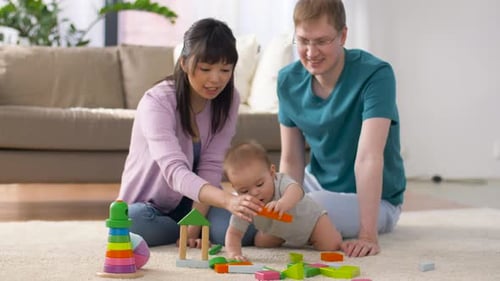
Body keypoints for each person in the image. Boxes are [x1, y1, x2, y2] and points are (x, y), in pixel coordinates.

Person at [277, 0, 406, 257]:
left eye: (322, 41)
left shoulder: (376, 75)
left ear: (343, 35)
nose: (311, 52)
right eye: (303, 41)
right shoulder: (287, 80)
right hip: (317, 183)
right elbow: (291, 158)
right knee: (256, 199)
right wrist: (279, 198)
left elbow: (369, 157)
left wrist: (367, 235)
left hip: (374, 200)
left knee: (310, 208)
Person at [118, 18, 262, 247]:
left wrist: (195, 222)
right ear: (184, 63)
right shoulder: (157, 101)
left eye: (225, 70)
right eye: (205, 69)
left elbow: (212, 166)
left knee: (244, 230)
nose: (216, 79)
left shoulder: (229, 100)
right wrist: (226, 200)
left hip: (196, 203)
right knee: (128, 222)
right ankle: (180, 231)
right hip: (148, 206)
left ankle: (186, 231)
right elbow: (174, 172)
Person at [223, 141, 342, 261]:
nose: (254, 193)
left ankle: (330, 234)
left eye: (259, 184)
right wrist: (234, 253)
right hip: (281, 232)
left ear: (272, 172)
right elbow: (234, 233)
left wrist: (283, 203)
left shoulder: (280, 181)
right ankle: (279, 236)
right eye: (244, 191)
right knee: (261, 243)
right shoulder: (244, 205)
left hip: (311, 222)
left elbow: (297, 190)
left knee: (330, 245)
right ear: (235, 188)